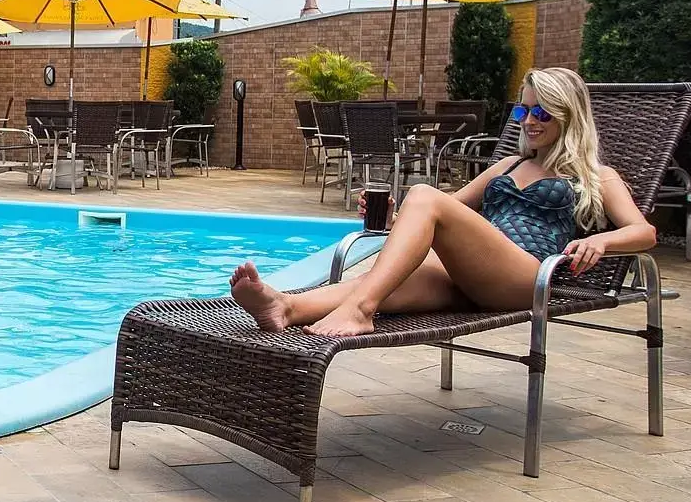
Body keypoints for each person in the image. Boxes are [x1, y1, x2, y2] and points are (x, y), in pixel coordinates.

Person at [231, 67, 657, 337]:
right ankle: (285, 306)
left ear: (569, 116)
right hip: (472, 276)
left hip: (528, 277)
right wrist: (398, 218)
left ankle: (360, 312)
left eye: (541, 113)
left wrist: (602, 242)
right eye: (521, 112)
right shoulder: (507, 166)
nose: (528, 122)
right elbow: (444, 211)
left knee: (422, 197)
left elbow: (645, 232)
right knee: (385, 276)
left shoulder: (594, 176)